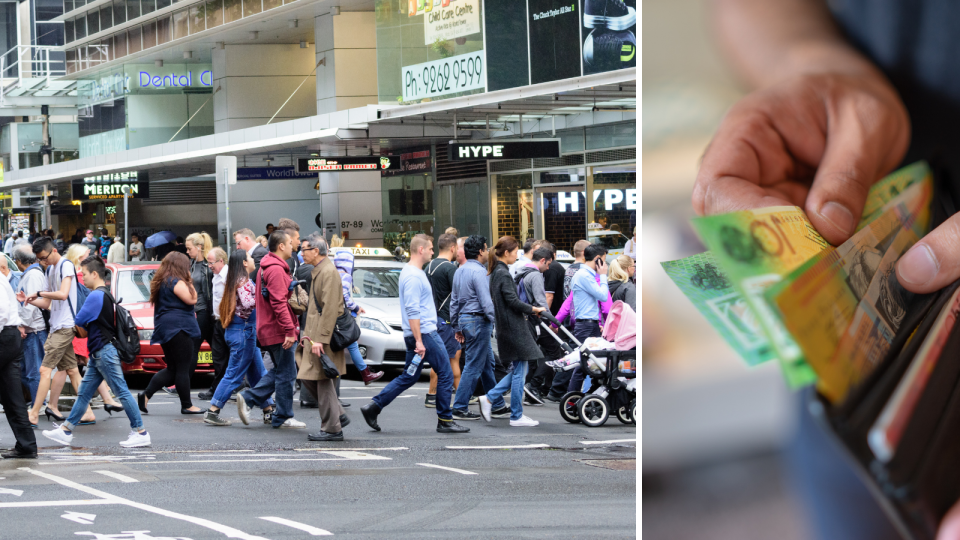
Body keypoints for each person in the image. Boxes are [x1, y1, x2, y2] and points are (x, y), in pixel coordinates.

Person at [360, 234, 469, 434]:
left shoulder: (414, 272)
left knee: (410, 376)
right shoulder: (412, 275)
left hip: (421, 334)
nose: (432, 251)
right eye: (429, 248)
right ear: (421, 250)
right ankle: (445, 419)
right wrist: (419, 340)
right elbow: (412, 310)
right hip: (425, 334)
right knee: (445, 373)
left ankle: (374, 406)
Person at [42, 256, 150, 448]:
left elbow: (78, 322)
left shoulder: (95, 296)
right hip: (99, 352)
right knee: (84, 393)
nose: (82, 278)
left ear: (94, 274)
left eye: (84, 274)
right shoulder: (104, 293)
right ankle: (66, 430)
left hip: (103, 352)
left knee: (122, 391)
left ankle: (141, 431)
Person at [19, 237, 95, 427]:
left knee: (45, 370)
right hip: (57, 324)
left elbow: (62, 294)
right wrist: (28, 299)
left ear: (53, 251)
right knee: (71, 370)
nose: (42, 262)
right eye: (39, 259)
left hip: (65, 326)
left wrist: (38, 294)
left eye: (44, 257)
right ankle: (87, 412)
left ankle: (34, 413)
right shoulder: (51, 269)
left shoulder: (65, 265)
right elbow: (47, 303)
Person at [236, 230, 306, 429]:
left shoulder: (265, 267)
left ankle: (252, 400)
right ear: (281, 246)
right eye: (291, 243)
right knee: (286, 373)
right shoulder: (275, 269)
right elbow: (279, 303)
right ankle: (281, 414)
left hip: (270, 328)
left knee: (282, 370)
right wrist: (289, 330)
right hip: (278, 330)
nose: (294, 246)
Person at [477, 236, 545, 428]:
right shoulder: (503, 273)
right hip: (513, 327)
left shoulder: (497, 271)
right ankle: (516, 415)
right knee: (519, 372)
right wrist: (533, 309)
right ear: (506, 253)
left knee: (519, 370)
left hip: (507, 326)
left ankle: (490, 398)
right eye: (515, 252)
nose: (517, 255)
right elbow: (512, 301)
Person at [203, 250, 271, 426]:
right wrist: (263, 298)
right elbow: (248, 304)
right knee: (233, 373)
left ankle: (268, 410)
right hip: (243, 333)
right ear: (244, 263)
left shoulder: (234, 280)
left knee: (258, 374)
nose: (252, 260)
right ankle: (213, 410)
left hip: (239, 332)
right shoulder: (243, 282)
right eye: (249, 257)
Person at [297, 233, 351, 441]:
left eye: (304, 250)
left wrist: (319, 339)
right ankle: (337, 415)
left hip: (323, 336)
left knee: (323, 379)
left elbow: (329, 310)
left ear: (316, 251)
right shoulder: (319, 271)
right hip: (315, 335)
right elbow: (315, 309)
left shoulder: (327, 272)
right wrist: (309, 336)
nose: (301, 254)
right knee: (308, 375)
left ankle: (332, 428)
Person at [449, 235, 508, 420]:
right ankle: (459, 407)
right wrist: (499, 323)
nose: (488, 251)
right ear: (481, 251)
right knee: (474, 365)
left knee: (487, 364)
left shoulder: (460, 270)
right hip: (479, 320)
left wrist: (456, 326)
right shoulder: (480, 272)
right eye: (486, 248)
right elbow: (486, 302)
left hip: (466, 320)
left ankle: (496, 403)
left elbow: (454, 301)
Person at [138, 252, 205, 415]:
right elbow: (193, 298)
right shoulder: (176, 281)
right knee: (183, 368)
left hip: (166, 327)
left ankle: (146, 395)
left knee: (173, 369)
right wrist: (189, 280)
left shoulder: (162, 281)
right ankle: (187, 405)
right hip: (179, 327)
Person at [0, 257, 38, 459]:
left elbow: (1, 313)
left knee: (12, 395)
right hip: (11, 336)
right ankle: (27, 444)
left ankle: (27, 444)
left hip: (3, 335)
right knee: (12, 395)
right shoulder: (2, 280)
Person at [331, 247, 384, 385]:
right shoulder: (346, 276)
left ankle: (365, 373)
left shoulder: (334, 273)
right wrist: (356, 307)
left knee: (346, 345)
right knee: (352, 344)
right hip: (342, 316)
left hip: (333, 315)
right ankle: (365, 374)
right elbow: (345, 297)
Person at [563, 244, 610, 394]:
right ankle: (572, 400)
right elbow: (602, 296)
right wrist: (603, 275)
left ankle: (589, 396)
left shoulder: (586, 275)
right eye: (604, 260)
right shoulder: (584, 275)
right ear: (597, 260)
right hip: (586, 325)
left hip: (590, 324)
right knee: (583, 365)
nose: (605, 264)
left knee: (593, 363)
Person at [424, 233, 462, 411]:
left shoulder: (428, 266)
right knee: (446, 358)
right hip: (447, 319)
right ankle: (433, 394)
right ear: (453, 248)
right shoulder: (450, 269)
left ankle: (460, 394)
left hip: (434, 316)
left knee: (450, 357)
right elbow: (458, 295)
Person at [515, 244, 556, 406]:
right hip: (535, 320)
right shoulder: (536, 275)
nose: (548, 268)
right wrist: (553, 321)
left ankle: (530, 390)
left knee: (531, 358)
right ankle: (534, 386)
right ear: (543, 260)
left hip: (524, 319)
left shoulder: (521, 272)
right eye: (548, 264)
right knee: (554, 352)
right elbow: (541, 302)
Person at [13, 245, 46, 404]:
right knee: (28, 371)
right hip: (32, 328)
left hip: (34, 330)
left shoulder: (32, 276)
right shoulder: (30, 274)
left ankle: (38, 405)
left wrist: (22, 325)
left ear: (19, 261)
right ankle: (37, 403)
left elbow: (30, 304)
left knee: (33, 372)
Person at [199, 247, 229, 401]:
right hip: (217, 321)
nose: (209, 266)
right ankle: (217, 388)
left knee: (229, 358)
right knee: (218, 357)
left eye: (211, 263)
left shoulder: (229, 276)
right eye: (208, 263)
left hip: (228, 322)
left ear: (221, 261)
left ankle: (218, 390)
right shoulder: (215, 276)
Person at [185, 232, 214, 377]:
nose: (187, 251)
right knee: (216, 347)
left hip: (204, 311)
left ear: (199, 247)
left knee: (193, 346)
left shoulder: (208, 266)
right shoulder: (191, 264)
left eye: (189, 249)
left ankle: (183, 383)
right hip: (194, 311)